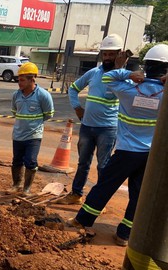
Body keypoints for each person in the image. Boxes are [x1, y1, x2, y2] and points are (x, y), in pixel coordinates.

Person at [68, 44, 168, 246]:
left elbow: (107, 78)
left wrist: (129, 73)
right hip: (150, 154)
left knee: (105, 186)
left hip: (126, 151)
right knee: (138, 194)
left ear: (146, 66)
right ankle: (124, 234)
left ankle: (83, 220)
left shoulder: (128, 90)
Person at [56, 34, 123, 205]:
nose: (107, 57)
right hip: (87, 127)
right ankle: (76, 194)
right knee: (83, 163)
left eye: (111, 54)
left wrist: (121, 71)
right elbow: (73, 89)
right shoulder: (93, 73)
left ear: (119, 54)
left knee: (103, 166)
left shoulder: (123, 77)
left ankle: (98, 202)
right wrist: (77, 108)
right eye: (105, 54)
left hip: (107, 129)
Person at [9, 62, 54, 194]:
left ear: (32, 79)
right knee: (16, 161)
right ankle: (16, 184)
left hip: (34, 136)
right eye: (19, 80)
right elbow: (14, 111)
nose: (19, 82)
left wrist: (34, 124)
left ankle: (26, 188)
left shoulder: (43, 95)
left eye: (22, 80)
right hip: (18, 135)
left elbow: (48, 114)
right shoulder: (16, 95)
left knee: (31, 161)